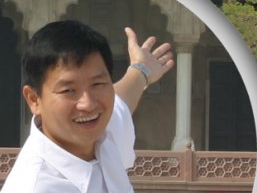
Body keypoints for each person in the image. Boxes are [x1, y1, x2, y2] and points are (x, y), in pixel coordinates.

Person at [2, 20, 175, 192]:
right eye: (69, 90)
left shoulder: (102, 133)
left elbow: (123, 98)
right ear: (34, 99)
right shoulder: (34, 186)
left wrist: (141, 70)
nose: (88, 104)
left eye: (97, 84)